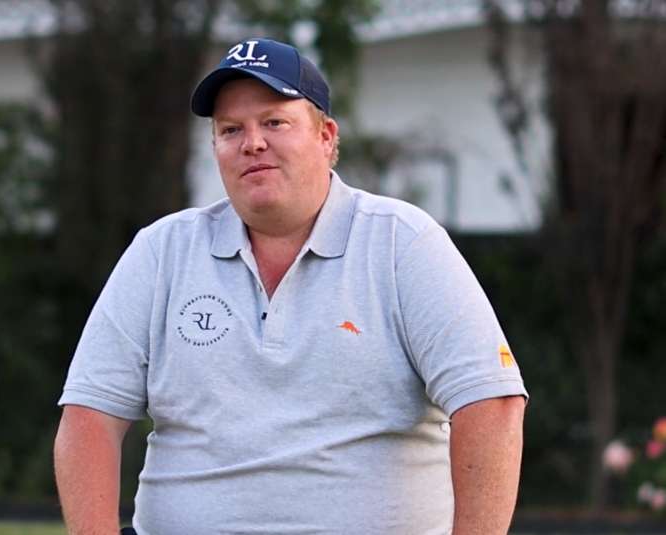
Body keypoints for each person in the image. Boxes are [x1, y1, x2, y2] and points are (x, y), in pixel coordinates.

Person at [54, 37, 528, 535]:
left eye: (274, 122)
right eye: (230, 129)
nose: (252, 143)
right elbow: (89, 415)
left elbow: (490, 404)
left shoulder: (402, 243)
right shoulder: (162, 250)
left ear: (326, 136)